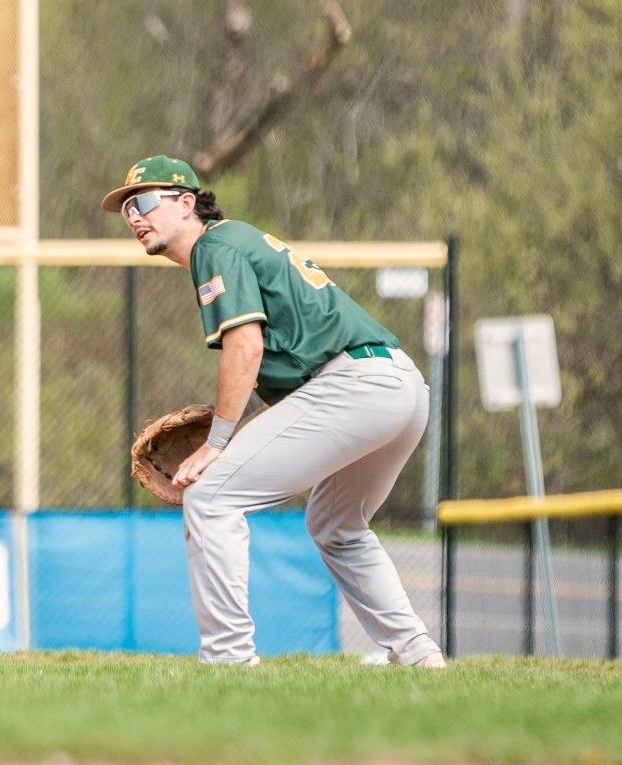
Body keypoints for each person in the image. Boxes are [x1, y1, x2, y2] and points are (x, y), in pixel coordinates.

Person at [101, 155, 445, 668]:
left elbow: (246, 348)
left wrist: (218, 440)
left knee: (211, 497)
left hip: (354, 387)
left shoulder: (214, 248)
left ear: (188, 203)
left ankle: (228, 659)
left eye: (147, 200)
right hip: (398, 385)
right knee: (337, 525)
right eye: (128, 206)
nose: (134, 215)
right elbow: (286, 361)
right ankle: (416, 652)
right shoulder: (239, 241)